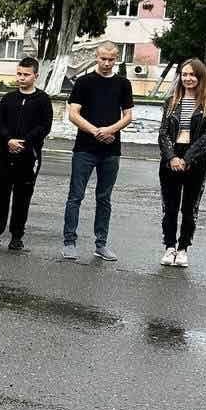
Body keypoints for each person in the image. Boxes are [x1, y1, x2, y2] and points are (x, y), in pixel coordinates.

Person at [62, 42, 134, 261]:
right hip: (85, 148)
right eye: (103, 58)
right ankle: (69, 242)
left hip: (111, 150)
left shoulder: (123, 83)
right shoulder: (84, 82)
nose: (107, 63)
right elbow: (73, 114)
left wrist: (109, 130)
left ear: (116, 59)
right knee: (76, 196)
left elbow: (128, 116)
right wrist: (96, 131)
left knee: (104, 198)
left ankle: (101, 244)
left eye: (111, 59)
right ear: (96, 56)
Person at [0, 57, 54, 252]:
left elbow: (44, 126)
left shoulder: (42, 100)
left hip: (29, 156)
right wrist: (8, 139)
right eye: (19, 74)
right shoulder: (8, 98)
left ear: (35, 76)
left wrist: (25, 142)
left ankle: (16, 236)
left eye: (26, 75)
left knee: (22, 197)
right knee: (1, 195)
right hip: (6, 154)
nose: (22, 78)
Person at [157, 58, 206, 267]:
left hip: (196, 160)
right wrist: (171, 157)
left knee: (189, 208)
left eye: (192, 74)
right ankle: (169, 247)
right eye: (184, 74)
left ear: (200, 77)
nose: (188, 78)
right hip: (171, 158)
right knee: (170, 207)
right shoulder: (171, 101)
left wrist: (187, 159)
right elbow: (163, 133)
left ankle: (183, 248)